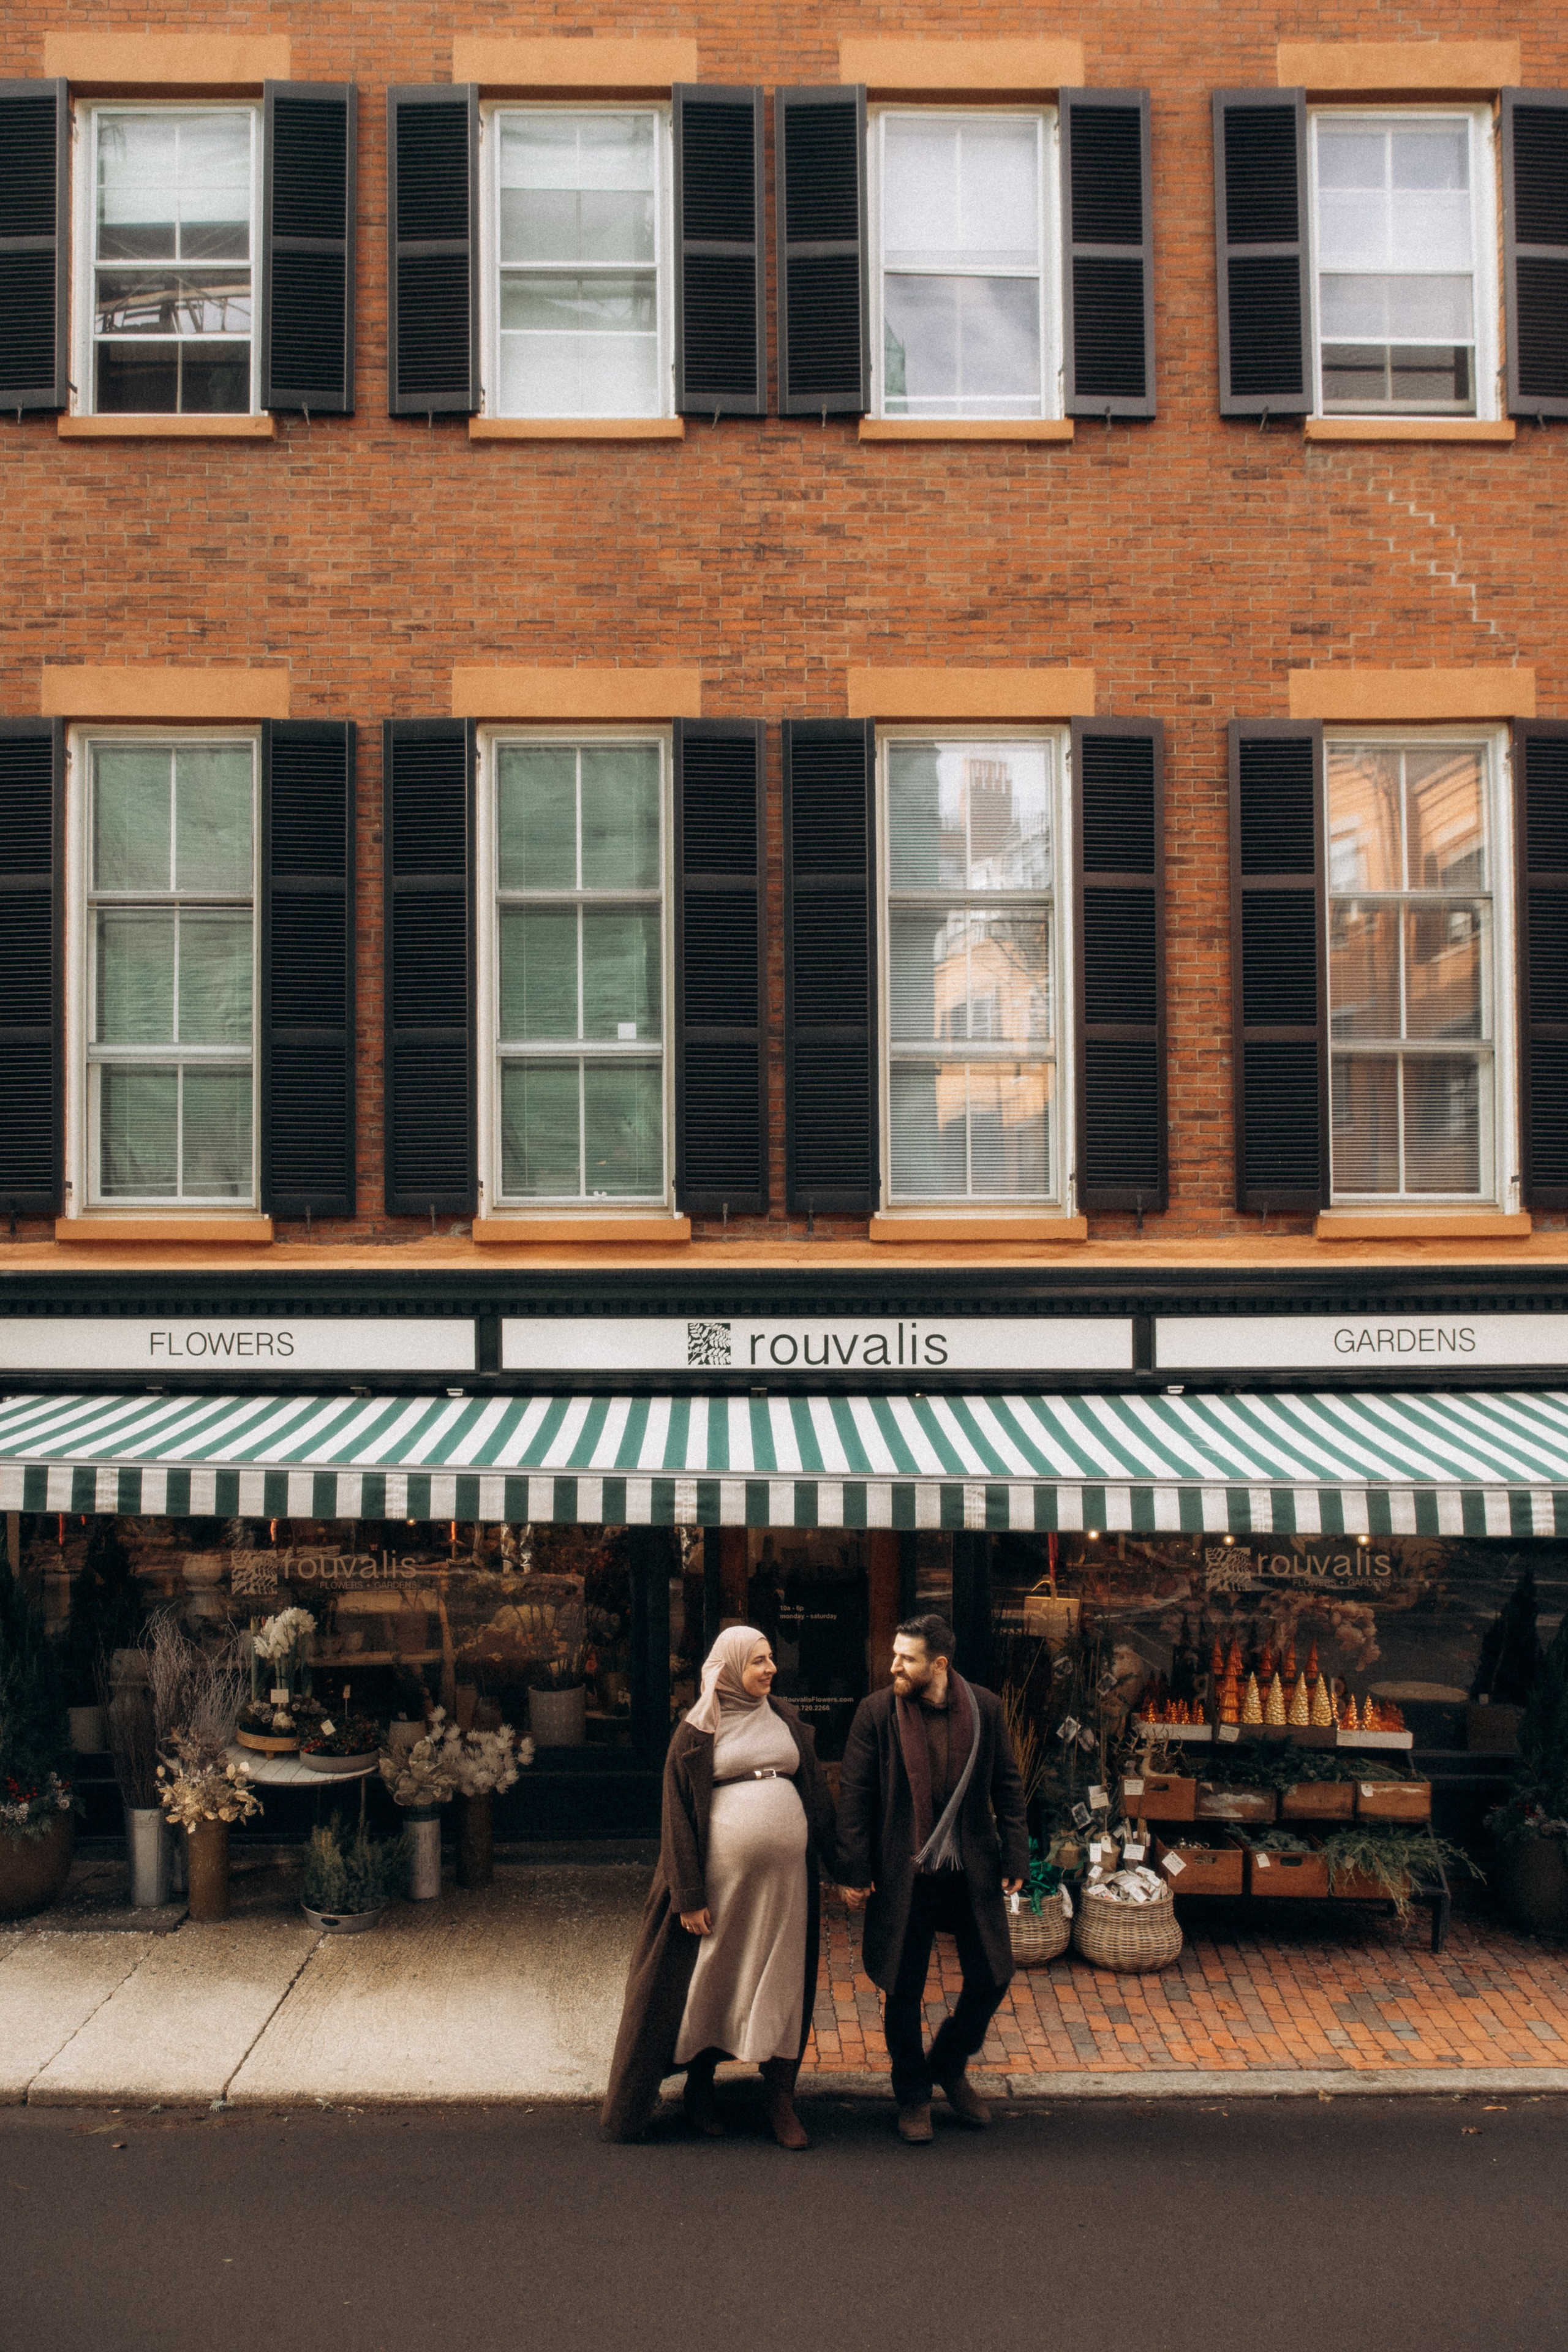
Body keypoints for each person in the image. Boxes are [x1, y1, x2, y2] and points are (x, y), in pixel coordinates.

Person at [600, 1624, 837, 2149]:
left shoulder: (786, 1719)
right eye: (758, 1662)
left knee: (781, 1983)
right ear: (731, 1668)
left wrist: (847, 1872)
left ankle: (779, 2098)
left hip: (786, 1891)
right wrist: (688, 1897)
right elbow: (676, 1818)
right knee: (713, 1983)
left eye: (771, 1658)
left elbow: (818, 1800)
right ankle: (700, 2089)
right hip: (721, 1892)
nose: (770, 1669)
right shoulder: (696, 1731)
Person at [837, 1613, 1028, 2144]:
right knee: (903, 1987)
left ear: (939, 1665)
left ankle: (947, 2062)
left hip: (970, 1868)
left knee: (993, 1974)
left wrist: (1016, 1853)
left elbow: (1007, 1785)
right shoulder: (877, 1713)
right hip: (905, 1871)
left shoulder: (985, 1707)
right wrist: (853, 1870)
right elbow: (854, 1796)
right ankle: (913, 2094)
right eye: (895, 1653)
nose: (893, 1665)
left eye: (907, 1658)